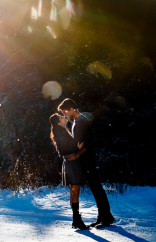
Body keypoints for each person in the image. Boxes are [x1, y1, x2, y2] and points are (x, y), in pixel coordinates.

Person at [58, 98, 115, 228]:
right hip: (84, 160)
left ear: (72, 109)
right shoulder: (75, 122)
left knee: (97, 188)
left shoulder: (82, 120)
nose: (64, 114)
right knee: (95, 188)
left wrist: (77, 154)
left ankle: (106, 217)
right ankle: (102, 217)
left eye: (65, 111)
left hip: (88, 160)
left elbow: (89, 142)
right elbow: (79, 140)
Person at [49, 113, 88, 230]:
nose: (64, 118)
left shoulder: (63, 131)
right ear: (58, 122)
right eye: (61, 118)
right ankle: (77, 220)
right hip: (71, 163)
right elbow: (64, 149)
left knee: (74, 191)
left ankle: (76, 220)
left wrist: (76, 146)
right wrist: (78, 148)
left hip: (71, 163)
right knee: (74, 191)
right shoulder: (60, 132)